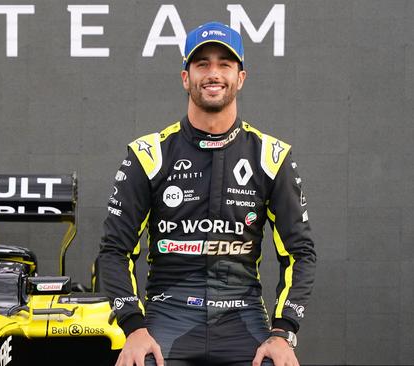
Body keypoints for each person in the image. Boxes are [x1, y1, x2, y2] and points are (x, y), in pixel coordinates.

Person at [95, 21, 316, 366]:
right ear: (186, 77)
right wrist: (133, 328)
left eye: (224, 64)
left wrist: (283, 332)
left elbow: (300, 254)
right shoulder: (148, 154)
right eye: (202, 64)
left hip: (241, 314)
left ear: (240, 77)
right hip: (167, 313)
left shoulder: (271, 156)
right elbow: (114, 251)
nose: (213, 73)